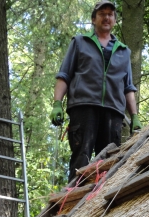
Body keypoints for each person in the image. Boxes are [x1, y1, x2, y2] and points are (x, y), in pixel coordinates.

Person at [50, 0, 142, 182]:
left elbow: (128, 87)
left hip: (113, 112)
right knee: (81, 156)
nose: (106, 17)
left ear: (115, 20)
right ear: (94, 19)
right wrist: (57, 103)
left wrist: (135, 116)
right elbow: (64, 75)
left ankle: (101, 206)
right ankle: (71, 202)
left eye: (110, 14)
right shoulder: (79, 42)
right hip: (83, 107)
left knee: (108, 161)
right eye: (102, 14)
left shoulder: (124, 51)